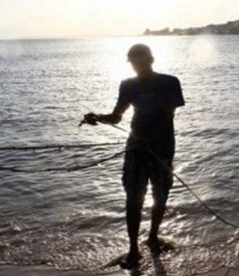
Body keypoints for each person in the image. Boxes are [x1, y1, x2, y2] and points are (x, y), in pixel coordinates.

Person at [82, 44, 185, 267]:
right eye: (134, 62)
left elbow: (169, 116)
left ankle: (153, 236)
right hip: (135, 148)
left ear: (152, 59)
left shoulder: (170, 82)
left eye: (142, 61)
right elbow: (117, 116)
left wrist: (149, 137)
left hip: (162, 148)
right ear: (131, 63)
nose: (139, 66)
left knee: (160, 196)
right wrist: (97, 117)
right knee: (133, 198)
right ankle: (133, 248)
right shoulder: (128, 85)